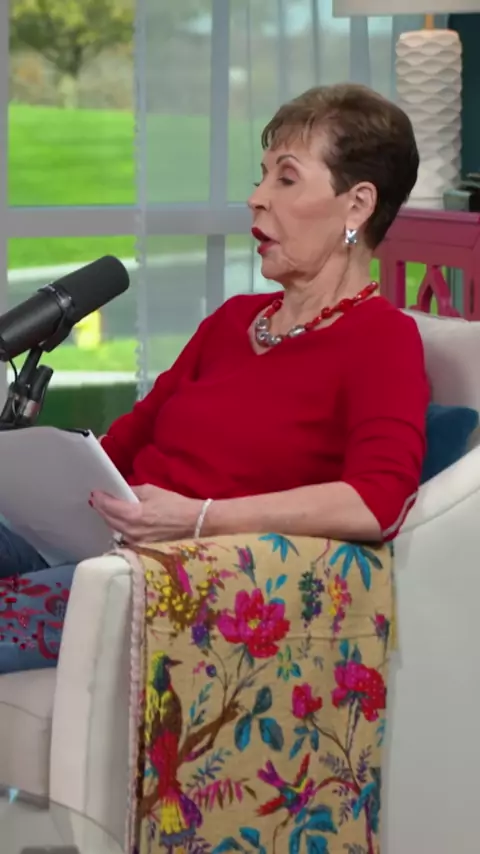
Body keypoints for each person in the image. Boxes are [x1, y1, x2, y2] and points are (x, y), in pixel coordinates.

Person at [0, 82, 429, 673]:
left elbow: (376, 501)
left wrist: (198, 517)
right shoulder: (232, 321)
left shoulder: (383, 339)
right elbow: (122, 446)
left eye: (285, 179)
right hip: (94, 545)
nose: (255, 198)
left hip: (172, 582)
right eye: (261, 176)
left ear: (356, 205)